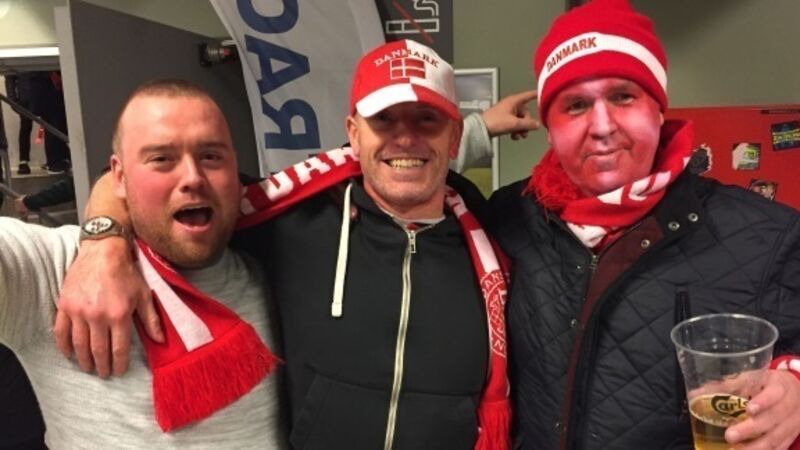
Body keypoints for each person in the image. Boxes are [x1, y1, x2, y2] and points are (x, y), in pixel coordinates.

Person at [54, 40, 540, 450]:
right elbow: (145, 187)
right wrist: (103, 242)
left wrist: (482, 128)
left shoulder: (498, 238)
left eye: (426, 120)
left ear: (454, 136)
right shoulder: (290, 220)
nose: (405, 138)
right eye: (384, 120)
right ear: (354, 134)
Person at [487, 0, 800, 449]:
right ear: (549, 128)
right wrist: (471, 131)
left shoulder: (768, 235)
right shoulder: (511, 216)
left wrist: (795, 386)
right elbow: (407, 197)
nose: (602, 126)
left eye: (623, 97)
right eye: (576, 105)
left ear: (657, 110)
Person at [0, 79, 286, 448]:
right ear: (118, 177)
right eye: (162, 159)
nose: (193, 178)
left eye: (211, 156)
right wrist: (101, 242)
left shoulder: (276, 262)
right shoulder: (55, 270)